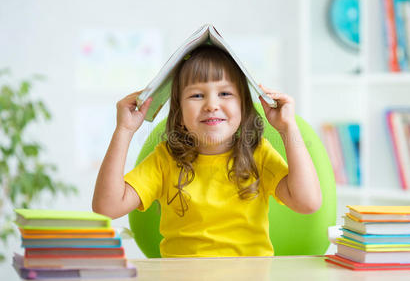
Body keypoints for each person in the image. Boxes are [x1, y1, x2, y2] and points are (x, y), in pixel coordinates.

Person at [92, 45, 322, 257]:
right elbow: (107, 208)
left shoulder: (258, 154)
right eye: (197, 95)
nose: (211, 104)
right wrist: (124, 130)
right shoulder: (164, 160)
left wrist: (287, 128)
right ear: (180, 114)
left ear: (243, 106)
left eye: (225, 93)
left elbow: (308, 202)